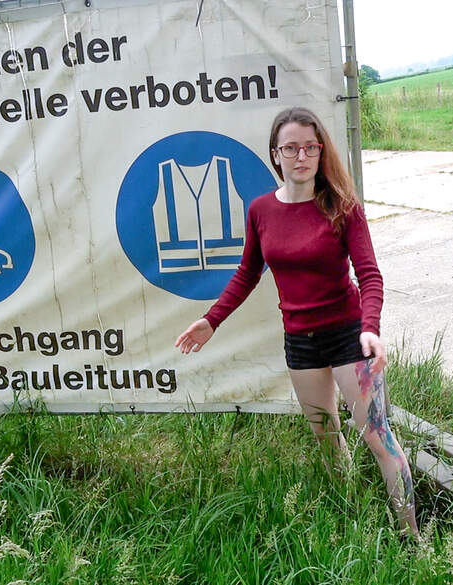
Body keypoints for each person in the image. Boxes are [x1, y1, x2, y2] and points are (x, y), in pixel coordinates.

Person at [174, 107, 418, 534]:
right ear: (276, 154)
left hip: (349, 337)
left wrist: (370, 328)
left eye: (309, 147)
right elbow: (247, 273)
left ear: (321, 152)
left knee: (379, 438)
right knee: (326, 439)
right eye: (291, 148)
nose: (301, 156)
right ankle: (352, 527)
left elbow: (369, 275)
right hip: (301, 342)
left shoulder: (342, 207)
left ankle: (411, 537)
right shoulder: (261, 210)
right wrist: (212, 320)